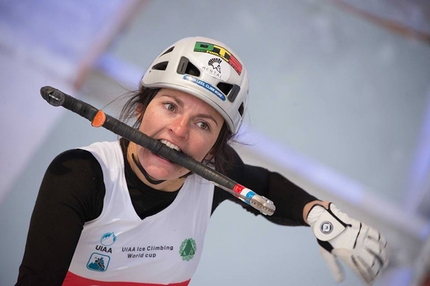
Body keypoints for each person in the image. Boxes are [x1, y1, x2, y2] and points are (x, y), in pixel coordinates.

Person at [16, 36, 388, 286]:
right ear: (141, 109)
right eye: (169, 106)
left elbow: (269, 188)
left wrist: (319, 214)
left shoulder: (215, 175)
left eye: (202, 124)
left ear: (214, 149)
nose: (178, 130)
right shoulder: (81, 175)